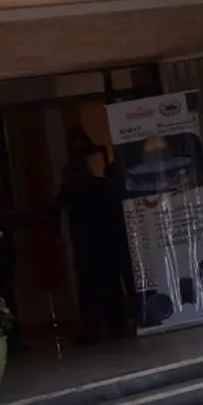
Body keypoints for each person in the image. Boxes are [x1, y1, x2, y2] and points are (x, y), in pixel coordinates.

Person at [58, 126, 136, 344]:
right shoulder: (99, 187)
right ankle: (114, 324)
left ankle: (97, 327)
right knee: (108, 285)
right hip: (104, 243)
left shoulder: (73, 190)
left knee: (91, 287)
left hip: (88, 245)